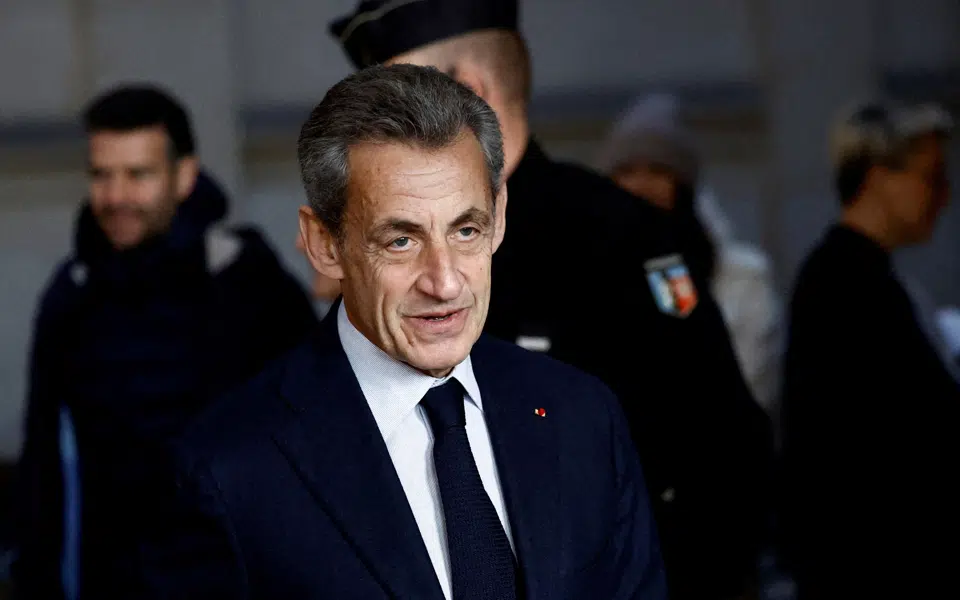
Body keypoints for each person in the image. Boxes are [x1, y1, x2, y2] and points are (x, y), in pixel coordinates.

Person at [134, 64, 667, 600]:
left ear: (499, 218)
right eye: (401, 241)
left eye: (466, 230)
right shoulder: (226, 469)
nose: (445, 282)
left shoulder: (584, 418)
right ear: (324, 244)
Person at [329, 2, 773, 599]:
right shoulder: (382, 249)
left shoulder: (619, 239)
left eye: (395, 107)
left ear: (471, 92)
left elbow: (720, 461)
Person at [13, 85, 318, 599]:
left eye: (138, 174)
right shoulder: (72, 294)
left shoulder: (246, 279)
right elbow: (42, 466)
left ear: (184, 176)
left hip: (235, 580)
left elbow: (315, 429)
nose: (116, 196)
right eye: (102, 175)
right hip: (116, 582)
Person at [779, 99, 957, 599]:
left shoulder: (865, 277)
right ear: (880, 177)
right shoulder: (843, 283)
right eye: (932, 178)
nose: (944, 197)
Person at [598, 93, 784, 422]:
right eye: (627, 171)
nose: (640, 185)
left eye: (657, 170)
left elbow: (689, 350)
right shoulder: (593, 258)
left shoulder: (674, 265)